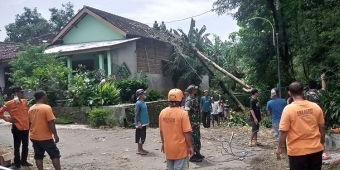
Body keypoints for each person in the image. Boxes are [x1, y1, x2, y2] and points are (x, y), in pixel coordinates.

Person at [277, 81, 325, 170]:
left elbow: (283, 131)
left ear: (289, 93)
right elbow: (322, 127)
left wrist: (279, 148)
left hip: (297, 152)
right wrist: (322, 142)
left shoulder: (288, 109)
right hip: (316, 150)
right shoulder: (316, 107)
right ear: (303, 91)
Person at [159, 88, 194, 170]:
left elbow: (161, 131)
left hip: (168, 149)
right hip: (180, 150)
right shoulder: (183, 113)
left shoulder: (162, 112)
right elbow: (186, 132)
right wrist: (190, 147)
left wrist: (163, 144)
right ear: (181, 100)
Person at [0, 86, 32, 168]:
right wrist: (8, 119)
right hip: (17, 128)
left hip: (26, 127)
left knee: (25, 145)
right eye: (21, 92)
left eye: (23, 92)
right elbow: (0, 113)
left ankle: (24, 161)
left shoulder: (25, 102)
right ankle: (17, 163)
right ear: (16, 93)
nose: (23, 93)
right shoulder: (9, 103)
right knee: (17, 146)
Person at [28, 90, 61, 170]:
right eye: (45, 95)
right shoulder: (46, 107)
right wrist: (55, 135)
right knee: (55, 155)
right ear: (43, 96)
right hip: (45, 137)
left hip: (34, 137)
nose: (46, 97)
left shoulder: (31, 109)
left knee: (38, 156)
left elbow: (29, 124)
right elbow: (51, 123)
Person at [185, 85, 204, 162]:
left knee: (197, 138)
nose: (196, 90)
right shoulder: (189, 100)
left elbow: (197, 110)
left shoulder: (194, 98)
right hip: (191, 123)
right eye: (195, 89)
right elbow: (186, 112)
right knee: (193, 139)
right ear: (192, 90)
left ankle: (197, 153)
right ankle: (192, 156)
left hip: (195, 123)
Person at [134, 89, 149, 155]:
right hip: (140, 123)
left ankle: (141, 148)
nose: (144, 95)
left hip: (143, 123)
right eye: (143, 94)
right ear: (140, 96)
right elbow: (136, 114)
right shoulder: (138, 103)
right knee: (140, 136)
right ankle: (139, 150)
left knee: (143, 135)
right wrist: (139, 122)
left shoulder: (143, 102)